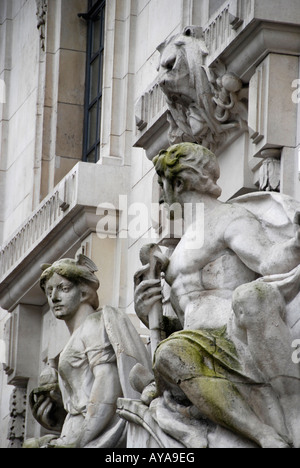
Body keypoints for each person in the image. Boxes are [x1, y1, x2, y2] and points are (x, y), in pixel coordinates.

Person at [134, 142, 300, 448]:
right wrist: (147, 311)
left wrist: (296, 243)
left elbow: (268, 260)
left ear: (178, 183)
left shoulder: (228, 218)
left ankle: (292, 419)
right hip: (193, 350)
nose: (159, 195)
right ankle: (263, 435)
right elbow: (184, 318)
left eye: (161, 184)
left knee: (251, 296)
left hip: (236, 336)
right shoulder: (180, 246)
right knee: (169, 352)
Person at [24, 255, 151, 448]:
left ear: (83, 292)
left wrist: (79, 441)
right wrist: (56, 405)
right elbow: (84, 396)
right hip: (77, 428)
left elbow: (107, 385)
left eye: (64, 288)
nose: (54, 297)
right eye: (49, 291)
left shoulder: (94, 324)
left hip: (91, 432)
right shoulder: (77, 336)